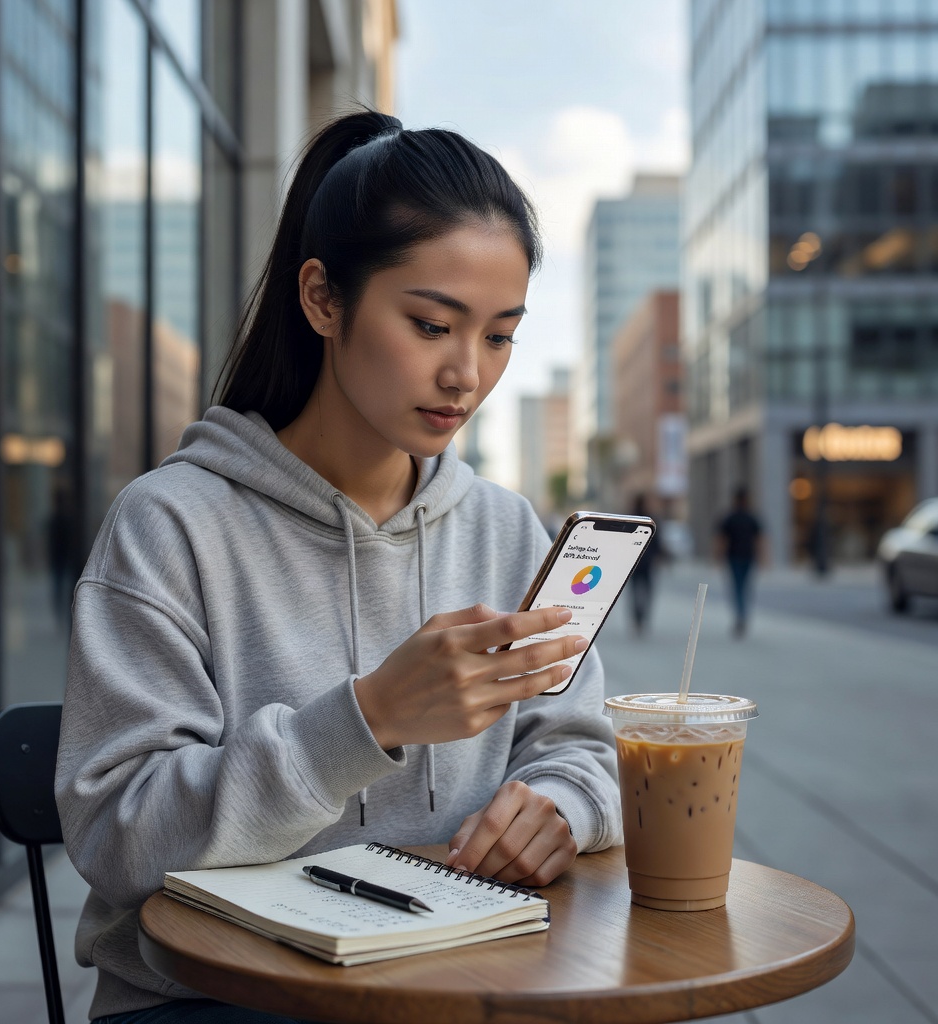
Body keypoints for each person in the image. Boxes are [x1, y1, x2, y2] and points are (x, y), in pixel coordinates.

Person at [55, 110, 623, 1024]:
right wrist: (368, 719)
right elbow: (120, 833)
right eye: (433, 324)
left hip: (454, 980)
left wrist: (559, 805)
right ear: (322, 298)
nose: (466, 375)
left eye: (499, 335)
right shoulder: (172, 526)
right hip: (212, 999)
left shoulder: (506, 530)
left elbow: (581, 746)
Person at [715, 486, 765, 637]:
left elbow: (722, 540)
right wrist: (763, 557)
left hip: (735, 557)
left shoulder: (731, 517)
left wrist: (718, 555)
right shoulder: (751, 517)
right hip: (747, 556)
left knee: (737, 587)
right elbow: (760, 539)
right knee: (744, 587)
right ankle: (742, 615)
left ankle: (740, 615)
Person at [627, 494, 661, 634]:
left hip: (634, 563)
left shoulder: (630, 520)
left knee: (635, 592)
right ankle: (643, 616)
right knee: (647, 591)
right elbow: (657, 541)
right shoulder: (650, 520)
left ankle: (637, 617)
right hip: (647, 562)